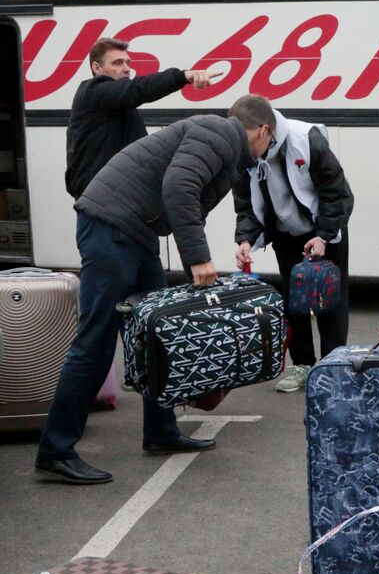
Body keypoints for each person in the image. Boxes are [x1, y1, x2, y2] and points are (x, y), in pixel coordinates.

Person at [35, 106, 261, 484]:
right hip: (110, 227)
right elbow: (180, 187)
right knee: (96, 340)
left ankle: (160, 431)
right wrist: (198, 258)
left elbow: (182, 196)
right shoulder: (220, 133)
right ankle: (55, 450)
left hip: (135, 233)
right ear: (262, 132)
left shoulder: (222, 143)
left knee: (158, 335)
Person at [231, 95, 353, 392]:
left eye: (244, 137)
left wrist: (323, 235)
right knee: (294, 299)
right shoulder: (241, 153)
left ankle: (333, 365)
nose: (239, 145)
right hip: (285, 232)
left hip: (322, 227)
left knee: (330, 300)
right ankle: (303, 364)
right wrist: (245, 239)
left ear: (263, 130)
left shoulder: (305, 139)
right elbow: (245, 204)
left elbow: (336, 192)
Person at [64, 37, 214, 199]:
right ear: (97, 68)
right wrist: (182, 76)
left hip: (121, 197)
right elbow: (139, 88)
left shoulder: (119, 102)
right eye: (117, 63)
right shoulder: (93, 91)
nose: (127, 68)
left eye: (128, 62)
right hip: (101, 200)